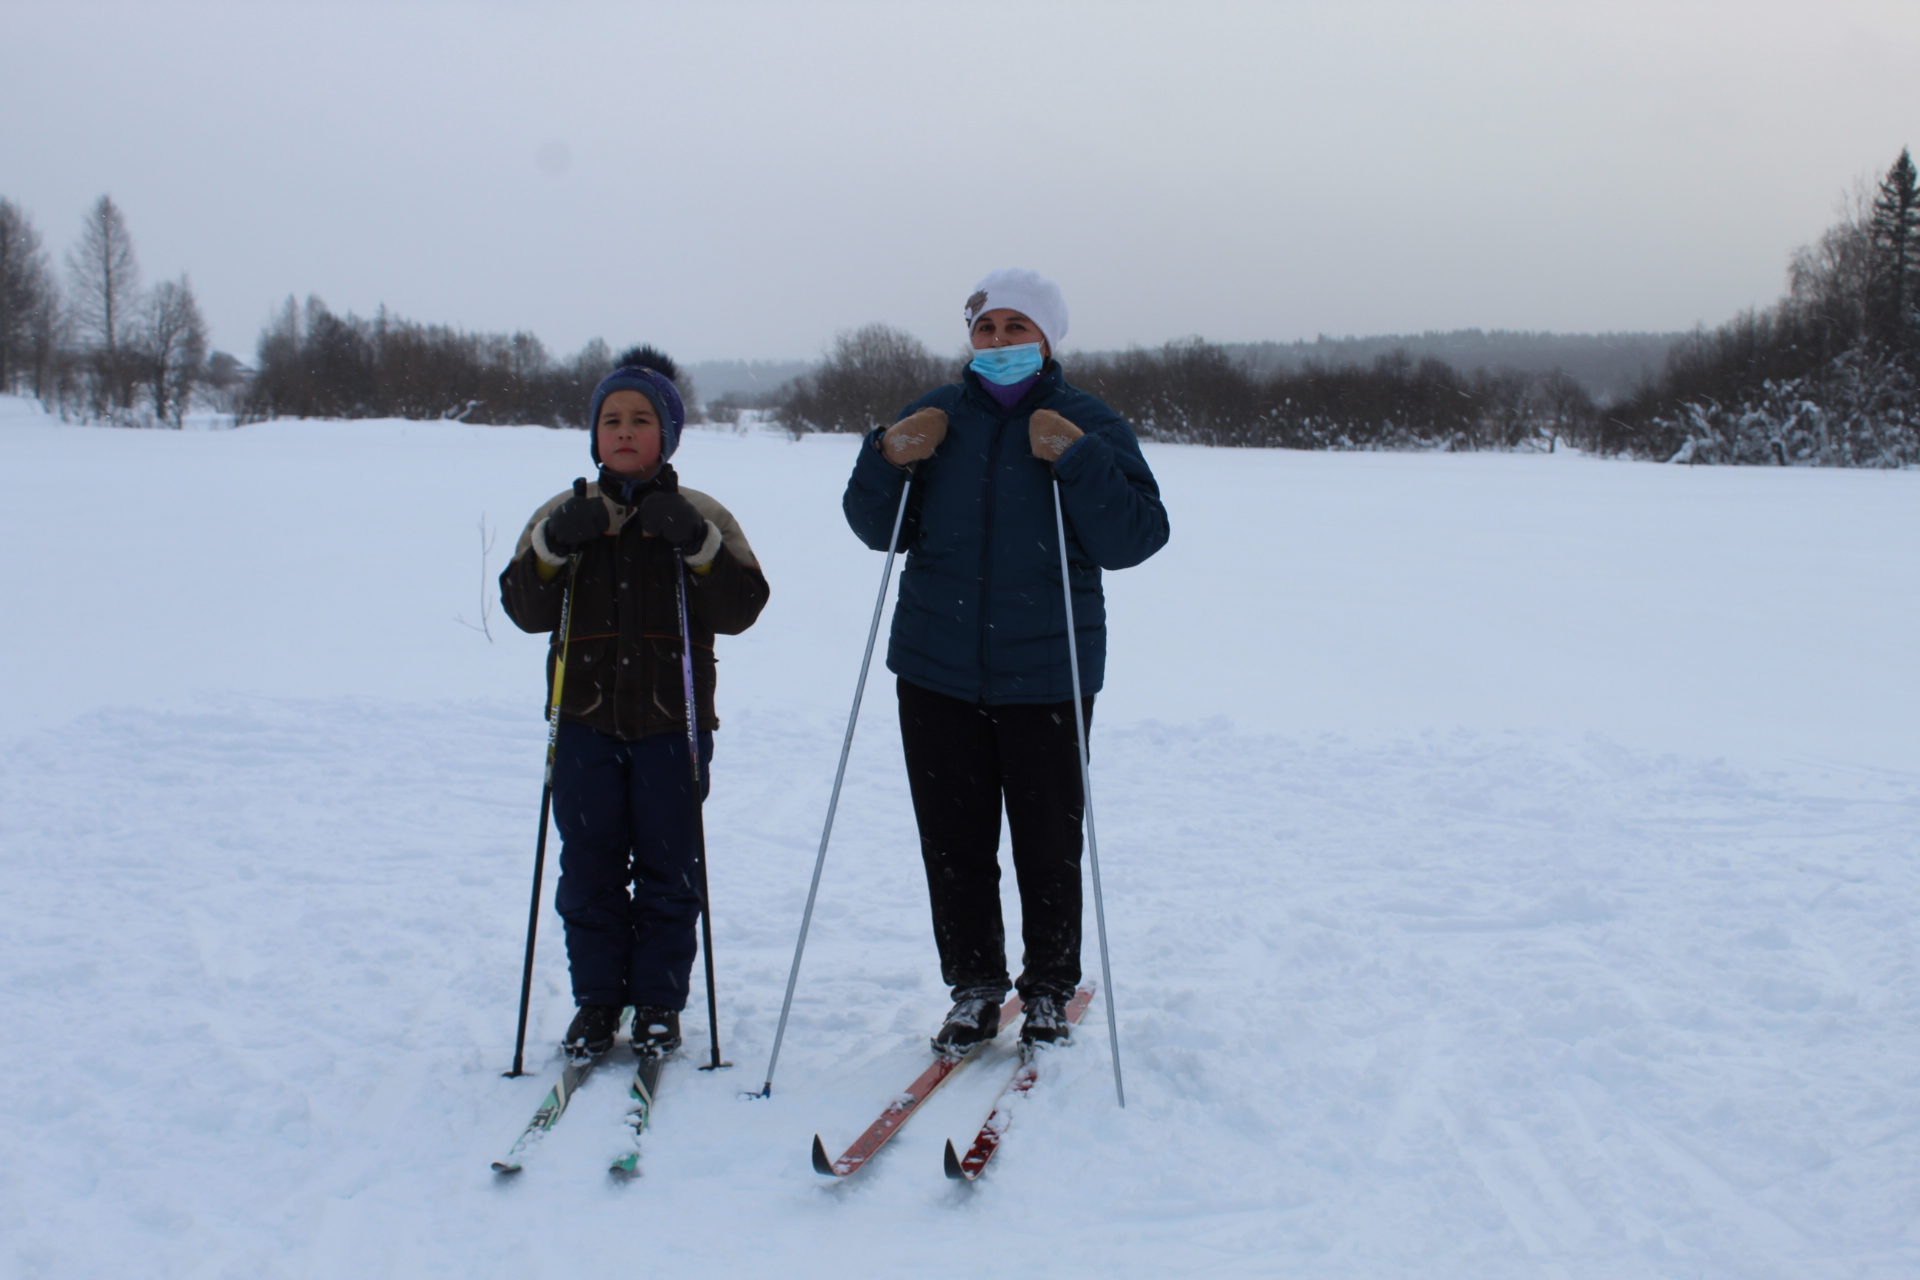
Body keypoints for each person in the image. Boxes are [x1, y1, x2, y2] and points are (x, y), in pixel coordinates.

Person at [841, 269, 1169, 1056]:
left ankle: (1049, 989)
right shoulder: (934, 416)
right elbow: (872, 528)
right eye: (987, 329)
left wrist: (1079, 459)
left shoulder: (1087, 422)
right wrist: (888, 455)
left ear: (1048, 339)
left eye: (1017, 328)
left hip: (1047, 670)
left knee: (1045, 841)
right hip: (934, 665)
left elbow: (1136, 539)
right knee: (953, 841)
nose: (999, 343)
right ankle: (976, 988)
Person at [501, 347, 769, 1061]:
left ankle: (657, 1003)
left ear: (668, 435)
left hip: (671, 728)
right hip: (584, 724)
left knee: (669, 869)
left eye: (641, 420)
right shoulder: (564, 512)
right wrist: (556, 545)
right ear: (593, 434)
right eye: (611, 419)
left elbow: (743, 606)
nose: (624, 431)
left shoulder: (700, 512)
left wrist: (696, 541)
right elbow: (524, 607)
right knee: (587, 870)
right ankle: (596, 1002)